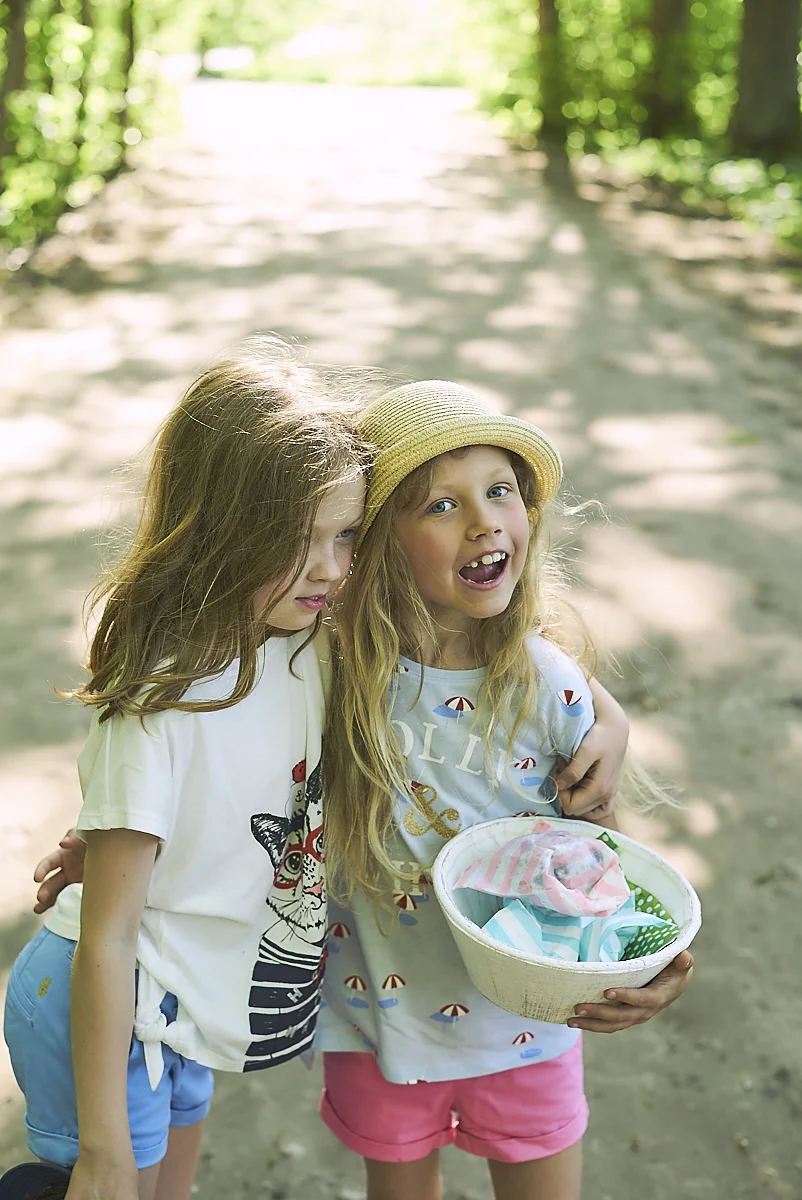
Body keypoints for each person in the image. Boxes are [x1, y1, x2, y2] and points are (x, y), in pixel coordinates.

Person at [3, 338, 369, 1200]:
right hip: (108, 1002)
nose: (330, 566)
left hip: (189, 994)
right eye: (299, 540)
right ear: (220, 529)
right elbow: (109, 937)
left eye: (346, 534)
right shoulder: (162, 699)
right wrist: (103, 1152)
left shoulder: (308, 642)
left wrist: (602, 721)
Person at [317, 381, 695, 1200]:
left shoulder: (549, 687)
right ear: (378, 542)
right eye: (441, 504)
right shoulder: (332, 676)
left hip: (531, 1023)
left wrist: (650, 957)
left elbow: (602, 857)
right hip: (378, 1017)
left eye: (499, 492)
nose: (485, 521)